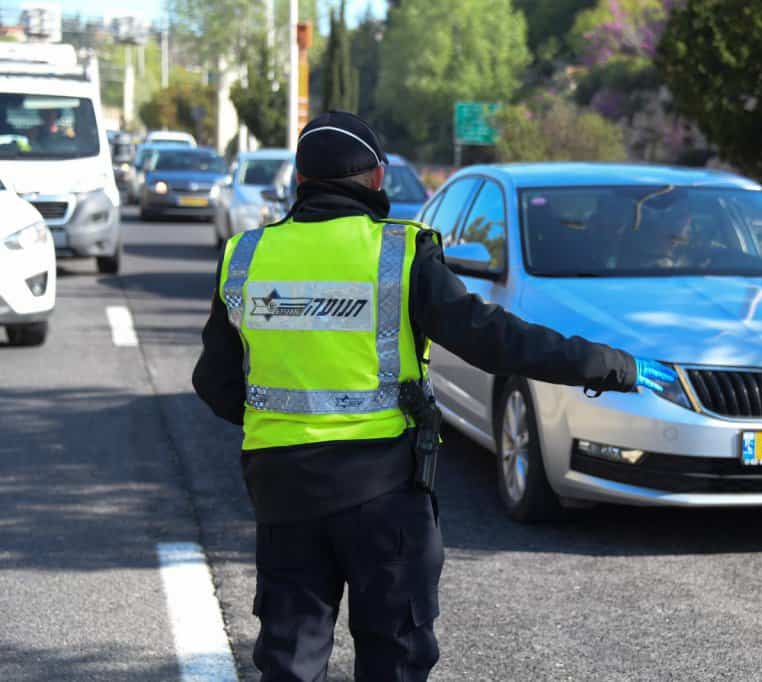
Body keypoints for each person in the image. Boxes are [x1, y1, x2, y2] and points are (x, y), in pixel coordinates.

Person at [192, 111, 677, 682]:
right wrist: (608, 364)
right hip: (383, 493)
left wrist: (277, 423)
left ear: (299, 182)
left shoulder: (246, 257)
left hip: (282, 492)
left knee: (291, 657)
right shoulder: (400, 254)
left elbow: (213, 382)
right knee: (394, 655)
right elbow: (497, 340)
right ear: (376, 180)